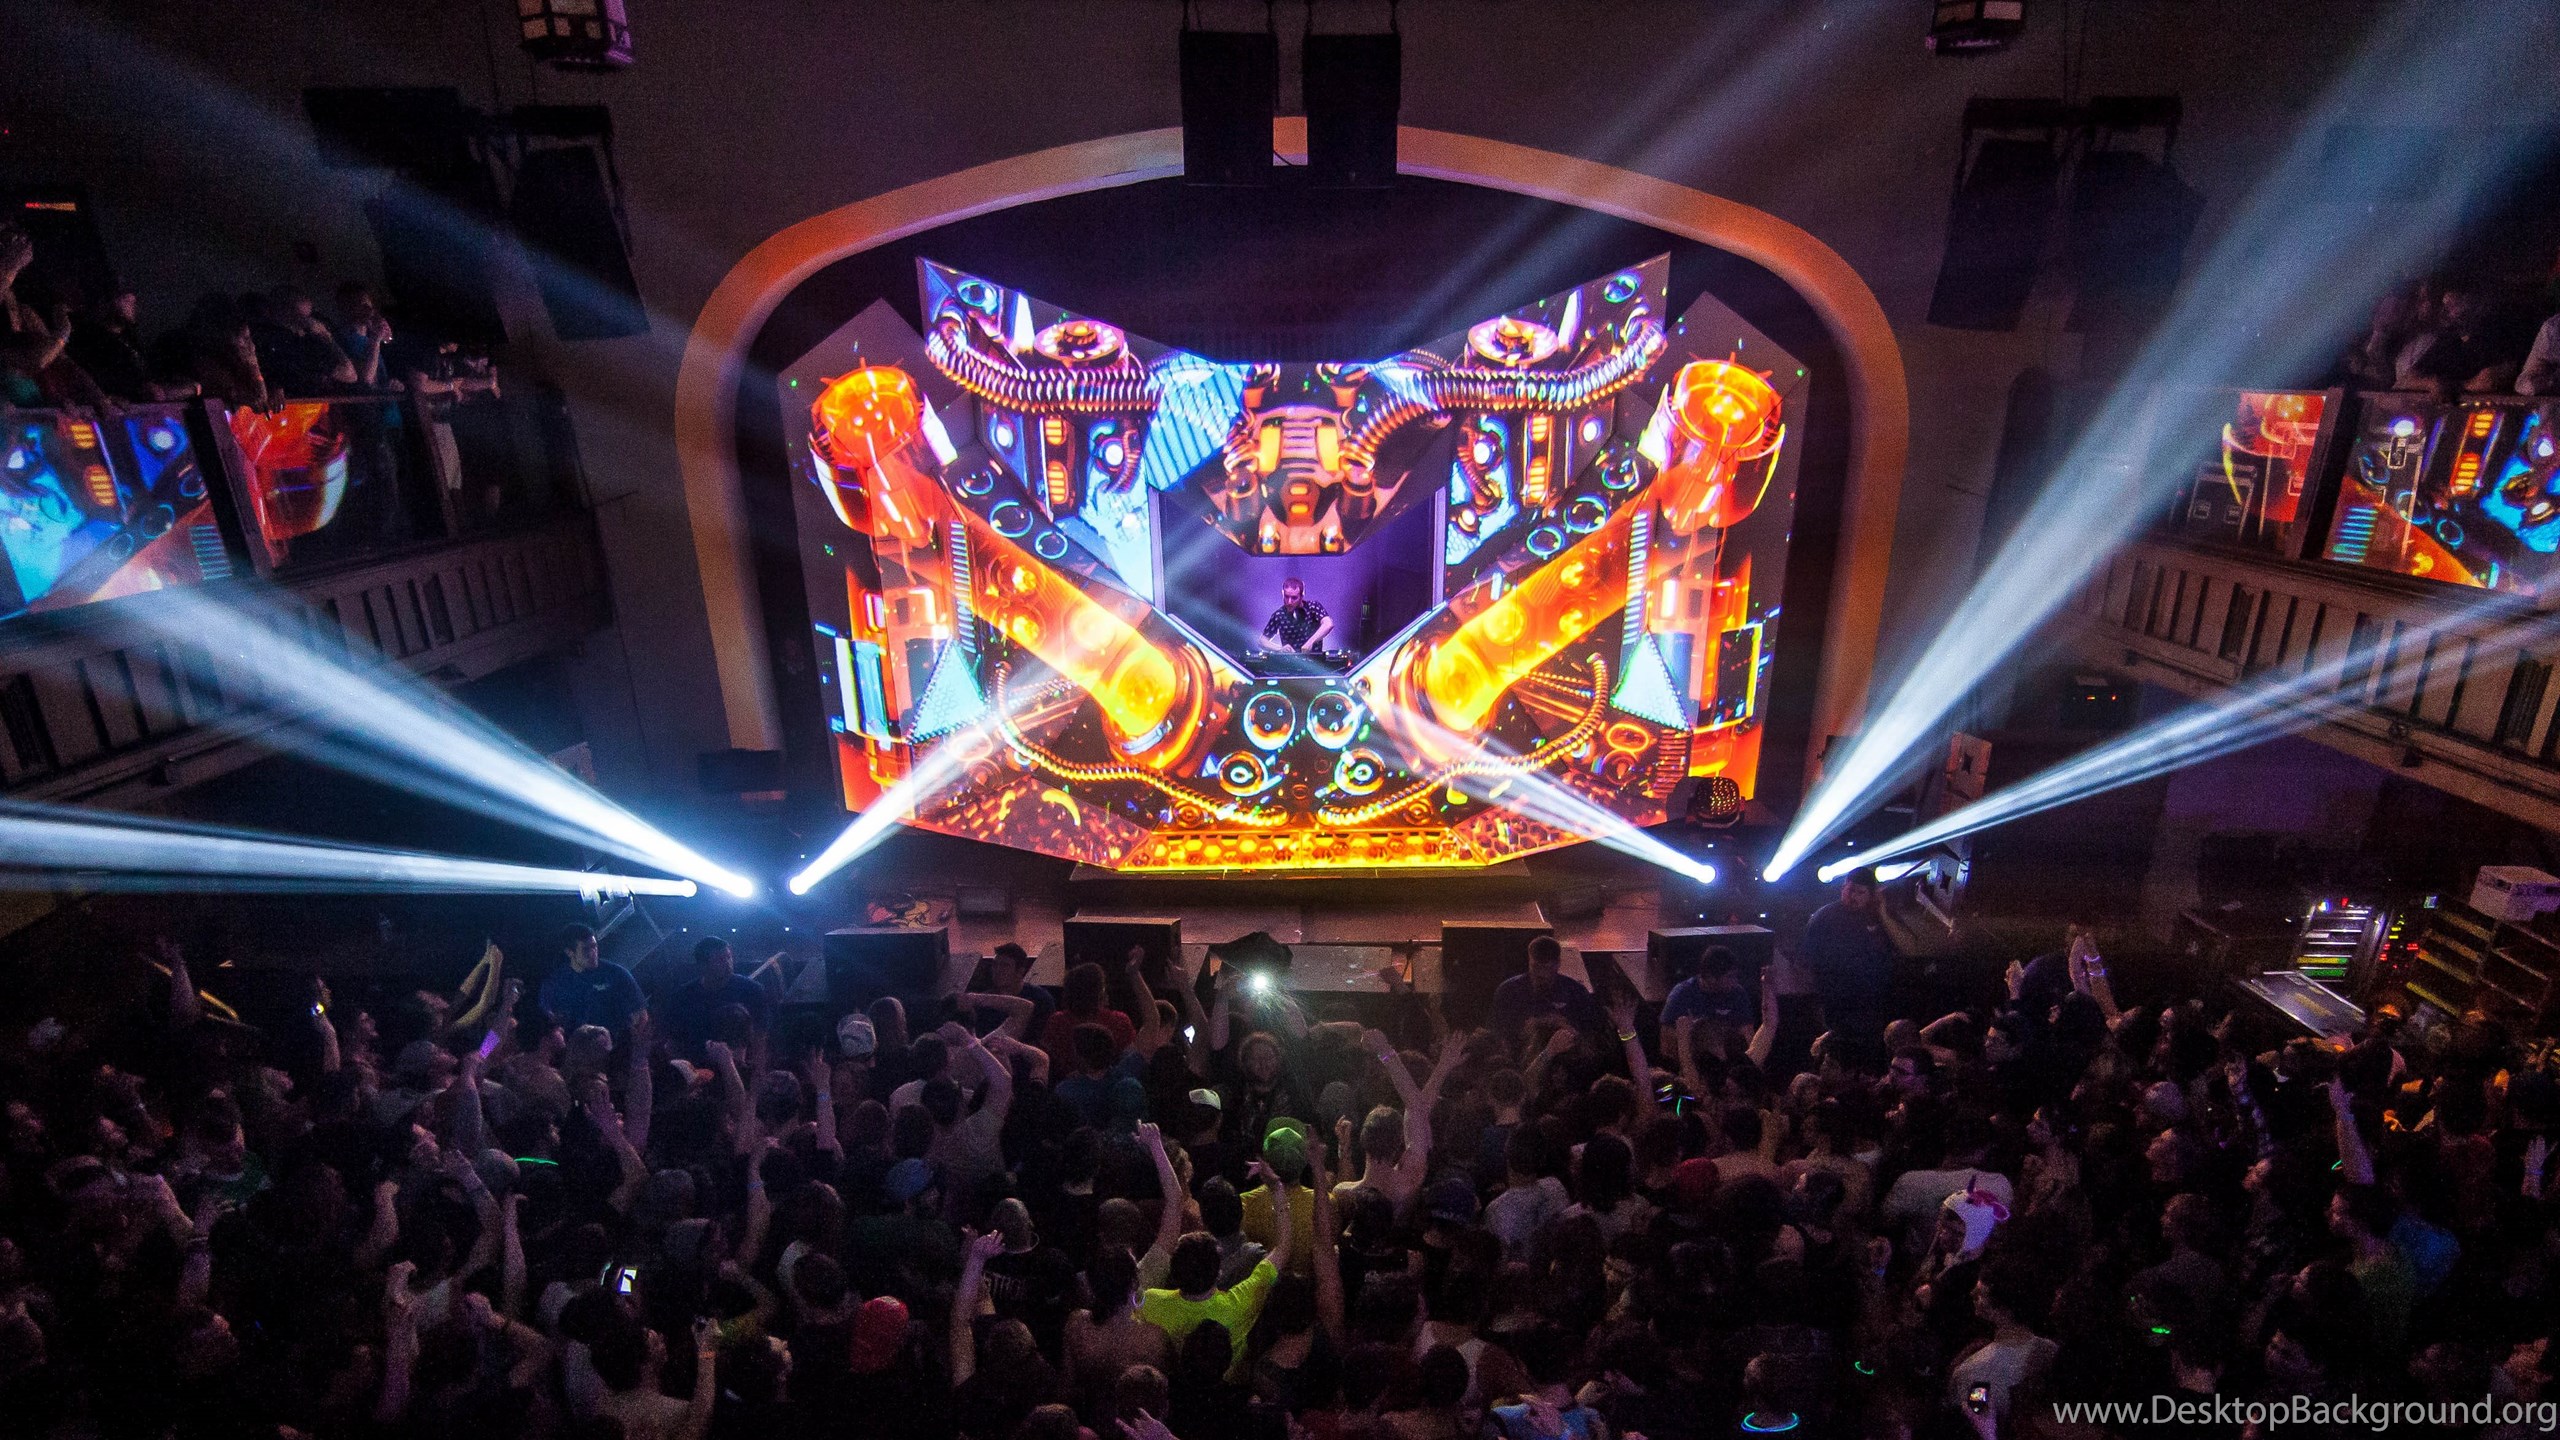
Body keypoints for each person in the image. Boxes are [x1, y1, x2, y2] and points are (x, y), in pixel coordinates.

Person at [1800, 869, 1894, 1032]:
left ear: (1870, 895)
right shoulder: (1824, 916)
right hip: (1833, 999)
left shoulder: (1876, 917)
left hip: (1868, 1002)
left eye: (1860, 892)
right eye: (1850, 890)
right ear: (1843, 888)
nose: (1853, 896)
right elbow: (1807, 958)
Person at [657, 937, 771, 1063]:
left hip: (740, 1065)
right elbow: (673, 1040)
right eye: (720, 960)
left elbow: (760, 1034)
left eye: (729, 957)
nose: (728, 964)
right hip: (696, 1066)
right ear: (703, 965)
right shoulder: (684, 996)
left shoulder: (751, 990)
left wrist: (758, 1069)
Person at [1488, 936, 1607, 1048]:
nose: (1541, 974)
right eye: (1536, 967)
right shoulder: (1509, 991)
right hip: (1520, 1053)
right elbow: (1497, 1033)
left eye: (1547, 968)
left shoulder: (1575, 992)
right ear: (1529, 961)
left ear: (1558, 964)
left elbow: (1590, 1036)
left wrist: (1564, 1028)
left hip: (1566, 1054)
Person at [537, 923, 646, 1035]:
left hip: (619, 1041)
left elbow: (641, 1013)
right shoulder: (554, 985)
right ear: (569, 952)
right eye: (585, 949)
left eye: (594, 946)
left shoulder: (616, 974)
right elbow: (550, 1026)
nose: (592, 953)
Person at [1260, 579, 1333, 654]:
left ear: (1301, 596)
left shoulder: (1313, 607)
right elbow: (1262, 641)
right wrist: (1280, 649)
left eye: (1294, 598)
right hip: (1291, 660)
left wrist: (1310, 642)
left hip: (1315, 659)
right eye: (1286, 597)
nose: (1289, 602)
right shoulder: (1278, 615)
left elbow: (1328, 624)